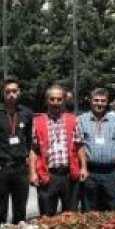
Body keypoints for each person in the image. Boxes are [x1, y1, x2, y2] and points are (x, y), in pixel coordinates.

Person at [0, 78, 34, 228]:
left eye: (14, 91)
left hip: (20, 168)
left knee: (20, 211)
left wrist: (24, 155)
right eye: (8, 92)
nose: (11, 94)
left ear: (19, 92)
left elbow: (29, 139)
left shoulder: (26, 113)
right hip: (1, 167)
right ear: (3, 94)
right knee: (0, 210)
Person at [32, 85, 87, 216]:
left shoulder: (72, 120)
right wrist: (33, 173)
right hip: (48, 175)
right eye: (52, 99)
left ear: (64, 100)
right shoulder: (37, 121)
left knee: (70, 216)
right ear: (47, 101)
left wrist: (83, 167)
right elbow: (34, 150)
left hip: (69, 175)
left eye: (59, 99)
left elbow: (79, 146)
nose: (56, 103)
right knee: (47, 216)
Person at [78, 88, 115, 212]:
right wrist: (83, 168)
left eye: (103, 101)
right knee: (89, 208)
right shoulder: (81, 120)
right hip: (90, 171)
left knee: (110, 208)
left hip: (110, 172)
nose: (99, 104)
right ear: (90, 101)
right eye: (96, 100)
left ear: (107, 102)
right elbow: (79, 146)